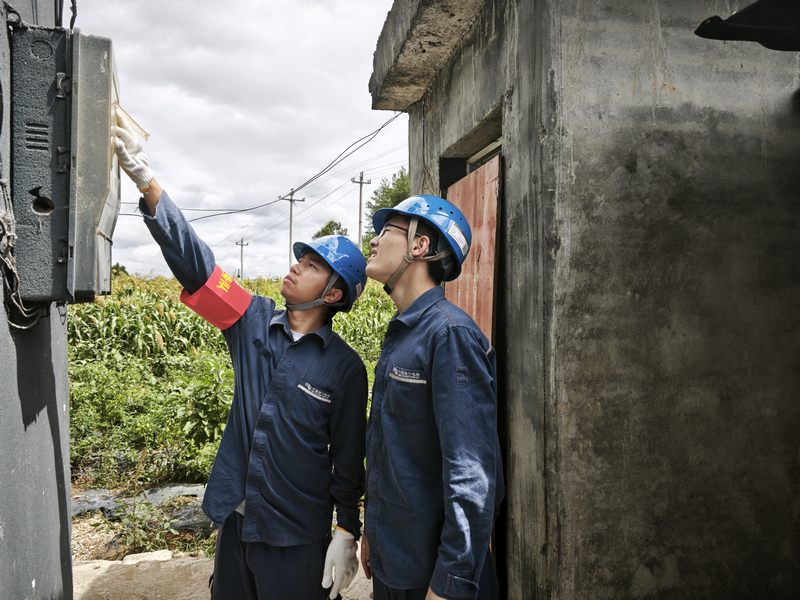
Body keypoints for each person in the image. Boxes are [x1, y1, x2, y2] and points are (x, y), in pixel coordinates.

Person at [113, 107, 366, 600]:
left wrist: (345, 533)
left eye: (312, 265)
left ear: (333, 294)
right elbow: (198, 266)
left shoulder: (344, 367)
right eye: (299, 259)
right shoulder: (250, 318)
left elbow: (348, 460)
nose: (295, 268)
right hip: (237, 523)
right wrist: (148, 184)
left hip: (297, 538)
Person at [359, 195, 504, 600]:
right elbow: (390, 451)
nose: (373, 241)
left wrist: (450, 585)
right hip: (394, 560)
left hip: (431, 578)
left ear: (419, 247)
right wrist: (373, 532)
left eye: (386, 231)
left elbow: (472, 476)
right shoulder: (404, 333)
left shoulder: (449, 335)